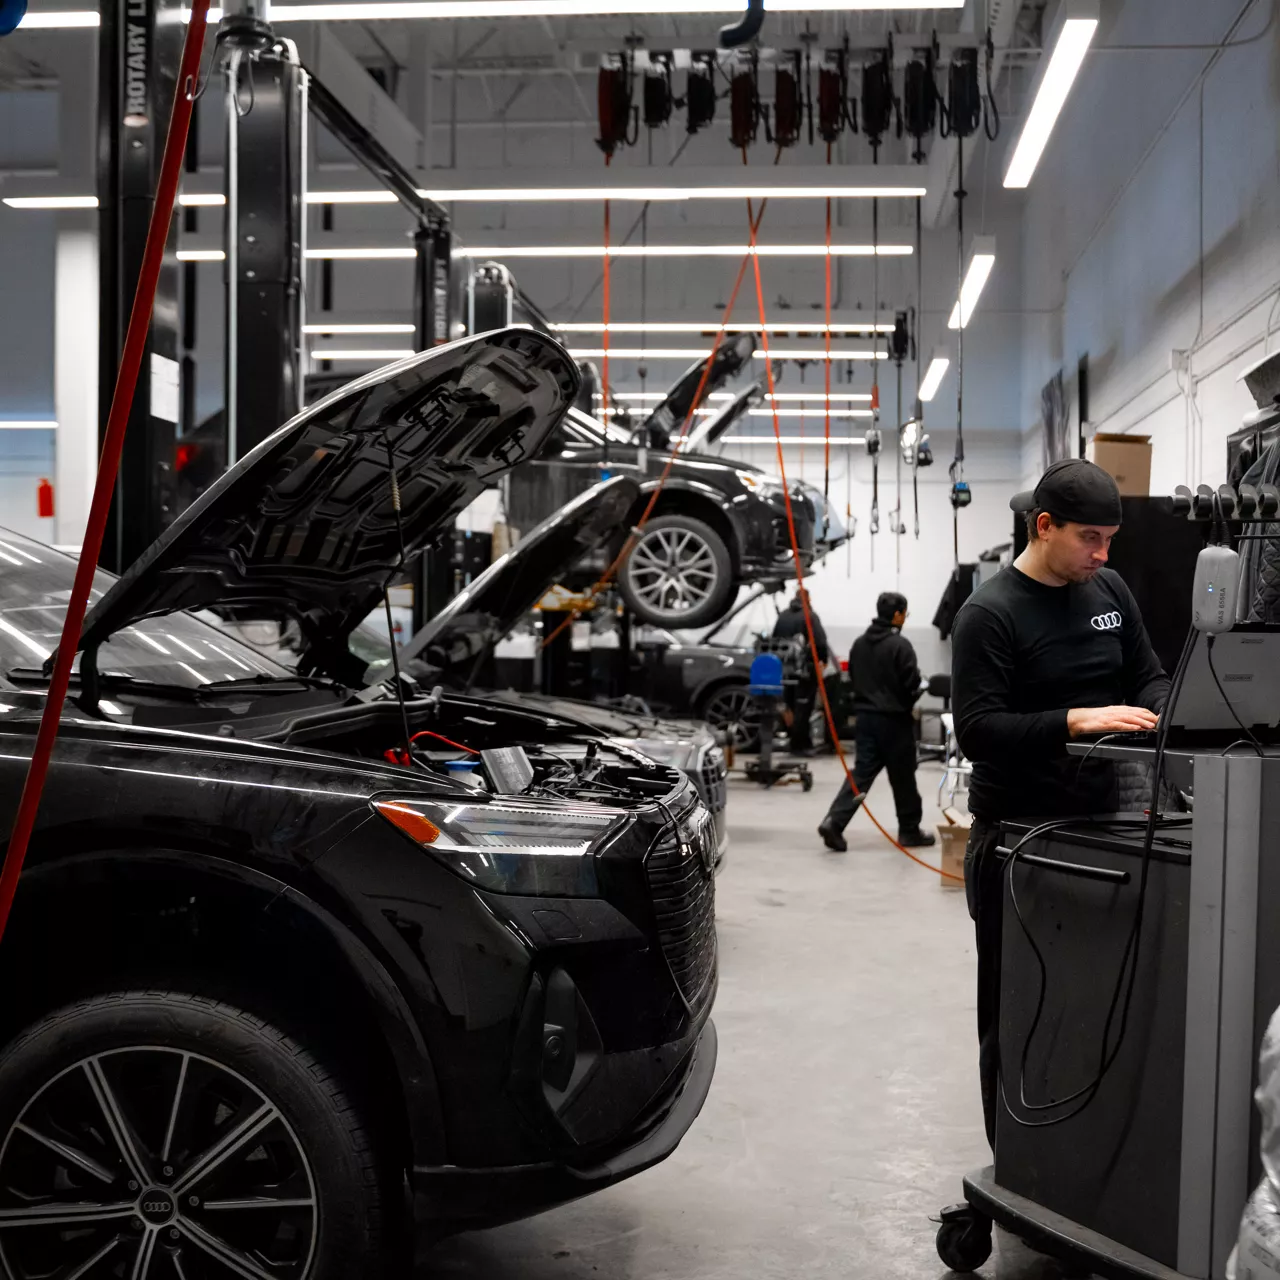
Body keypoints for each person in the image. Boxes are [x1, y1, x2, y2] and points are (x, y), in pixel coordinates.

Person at [950, 459, 1170, 1148]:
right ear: (1044, 527)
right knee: (1016, 1010)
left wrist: (1169, 713)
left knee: (1101, 1007)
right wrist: (1073, 720)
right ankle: (1012, 1159)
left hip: (1106, 828)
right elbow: (978, 732)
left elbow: (1148, 674)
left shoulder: (1109, 590)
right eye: (1090, 539)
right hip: (1019, 840)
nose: (1103, 555)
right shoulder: (988, 614)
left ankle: (1082, 1165)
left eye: (1110, 539)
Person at [817, 592, 934, 852]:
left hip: (865, 720)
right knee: (903, 777)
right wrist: (918, 688)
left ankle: (834, 821)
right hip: (894, 721)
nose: (905, 618)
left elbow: (854, 679)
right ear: (897, 615)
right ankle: (909, 831)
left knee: (861, 774)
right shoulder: (900, 646)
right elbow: (910, 682)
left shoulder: (859, 644)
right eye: (905, 613)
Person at [772, 589, 829, 755]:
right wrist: (823, 660)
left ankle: (796, 739)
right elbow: (820, 642)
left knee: (789, 706)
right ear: (808, 598)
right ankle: (800, 745)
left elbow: (775, 639)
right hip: (804, 669)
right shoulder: (810, 616)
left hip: (783, 669)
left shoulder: (783, 615)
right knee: (803, 706)